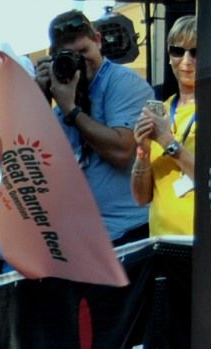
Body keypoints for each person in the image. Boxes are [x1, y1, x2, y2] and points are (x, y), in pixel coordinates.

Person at [35, 9, 154, 244]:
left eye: (83, 51)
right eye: (68, 55)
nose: (78, 61)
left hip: (128, 232)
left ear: (98, 40)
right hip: (82, 239)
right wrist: (40, 96)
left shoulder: (123, 83)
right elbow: (37, 160)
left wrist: (72, 111)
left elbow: (121, 151)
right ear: (53, 57)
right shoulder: (61, 90)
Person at [130, 15, 197, 237]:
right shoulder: (163, 110)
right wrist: (143, 150)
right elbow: (141, 198)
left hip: (202, 244)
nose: (186, 60)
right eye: (178, 51)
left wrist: (167, 141)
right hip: (161, 241)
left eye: (195, 52)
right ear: (169, 56)